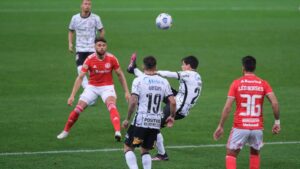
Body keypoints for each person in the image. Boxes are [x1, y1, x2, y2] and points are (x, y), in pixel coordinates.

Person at [127, 54, 202, 161]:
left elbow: (170, 74)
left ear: (189, 66)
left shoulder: (188, 74)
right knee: (160, 85)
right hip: (180, 100)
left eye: (183, 65)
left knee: (154, 124)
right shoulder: (197, 76)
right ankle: (133, 70)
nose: (182, 67)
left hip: (179, 107)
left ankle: (162, 154)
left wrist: (156, 72)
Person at [213, 56, 281, 169]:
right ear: (254, 67)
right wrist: (277, 122)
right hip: (257, 128)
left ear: (243, 67)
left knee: (231, 155)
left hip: (240, 126)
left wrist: (221, 125)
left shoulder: (236, 83)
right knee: (255, 154)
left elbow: (228, 107)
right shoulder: (263, 83)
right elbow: (275, 103)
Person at [57, 37, 130, 141]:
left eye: (103, 45)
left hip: (107, 87)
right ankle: (65, 131)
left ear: (106, 47)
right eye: (99, 45)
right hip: (92, 87)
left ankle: (117, 132)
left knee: (111, 105)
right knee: (78, 108)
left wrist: (126, 91)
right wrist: (72, 95)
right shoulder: (89, 59)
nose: (101, 48)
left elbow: (120, 74)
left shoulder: (112, 58)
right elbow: (80, 77)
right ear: (95, 47)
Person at [122, 56, 176, 169]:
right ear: (156, 67)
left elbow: (133, 102)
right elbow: (173, 102)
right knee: (145, 150)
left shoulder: (138, 80)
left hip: (141, 121)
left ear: (143, 66)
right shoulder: (163, 81)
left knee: (128, 147)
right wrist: (172, 116)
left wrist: (127, 118)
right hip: (155, 123)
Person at [68, 0, 105, 89]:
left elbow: (102, 30)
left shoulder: (96, 18)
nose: (87, 6)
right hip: (80, 49)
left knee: (93, 72)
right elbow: (71, 31)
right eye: (85, 4)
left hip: (92, 49)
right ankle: (89, 91)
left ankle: (93, 90)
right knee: (80, 71)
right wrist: (70, 43)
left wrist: (99, 43)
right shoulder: (75, 18)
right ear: (81, 5)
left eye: (89, 4)